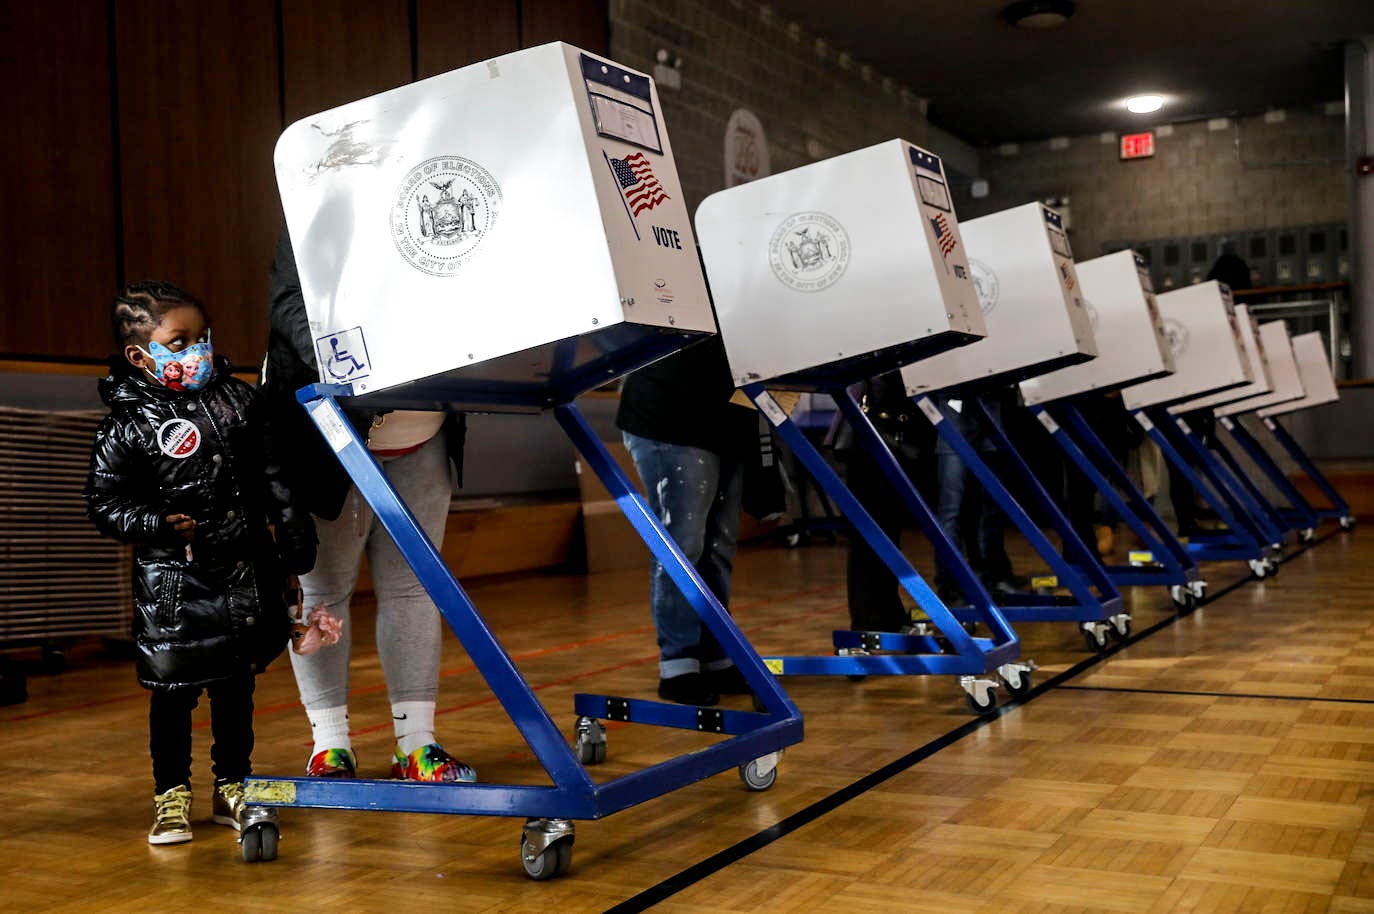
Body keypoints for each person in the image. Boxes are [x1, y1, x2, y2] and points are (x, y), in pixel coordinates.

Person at [85, 280, 317, 845]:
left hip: (240, 573)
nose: (196, 351)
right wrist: (156, 524)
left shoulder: (238, 401)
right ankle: (171, 795)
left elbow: (272, 478)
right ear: (141, 356)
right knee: (172, 696)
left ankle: (233, 784)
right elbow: (105, 502)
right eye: (179, 341)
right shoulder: (127, 423)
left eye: (202, 338)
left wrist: (293, 544)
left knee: (236, 690)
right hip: (172, 586)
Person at [263, 230, 474, 782]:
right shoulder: (318, 213)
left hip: (423, 429)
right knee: (323, 588)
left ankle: (417, 743)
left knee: (414, 586)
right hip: (330, 428)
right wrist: (369, 368)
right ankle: (329, 744)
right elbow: (290, 302)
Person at [617, 335, 760, 707]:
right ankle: (678, 665)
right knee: (683, 545)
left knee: (717, 547)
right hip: (669, 412)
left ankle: (716, 655)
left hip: (726, 414)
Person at [836, 372, 935, 632]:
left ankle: (886, 615)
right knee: (867, 540)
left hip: (886, 440)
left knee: (887, 535)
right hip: (868, 445)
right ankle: (866, 622)